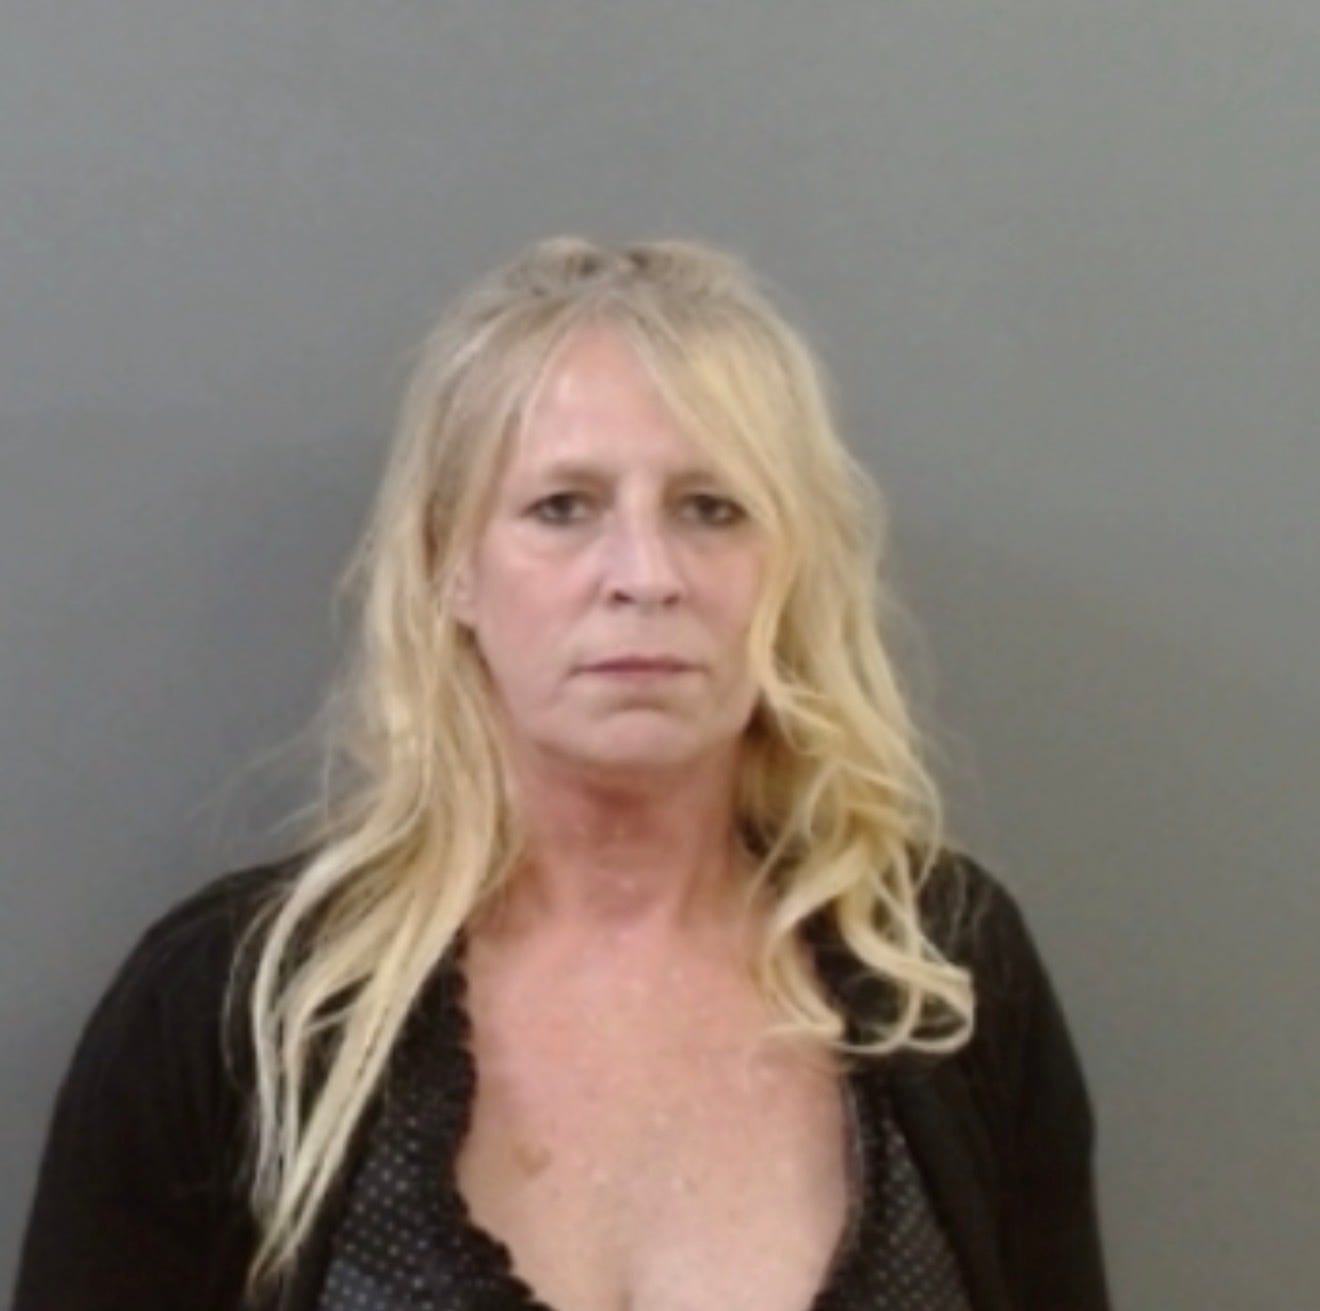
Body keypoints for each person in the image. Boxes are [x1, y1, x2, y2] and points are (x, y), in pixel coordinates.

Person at [13, 236, 1110, 1311]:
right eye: (563, 508)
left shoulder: (943, 976)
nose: (645, 575)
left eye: (712, 509)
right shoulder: (238, 1012)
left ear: (790, 566)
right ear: (450, 566)